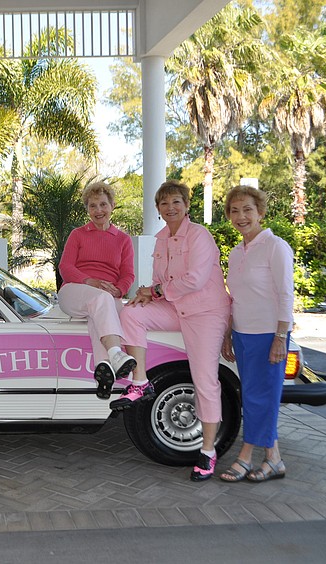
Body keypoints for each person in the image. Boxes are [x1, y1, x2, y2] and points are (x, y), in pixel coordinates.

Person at [117, 180, 231, 482]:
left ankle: (207, 452)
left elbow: (193, 280)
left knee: (205, 380)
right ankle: (139, 382)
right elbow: (161, 282)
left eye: (176, 202)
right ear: (158, 209)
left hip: (205, 313)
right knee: (131, 313)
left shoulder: (200, 236)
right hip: (176, 308)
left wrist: (153, 290)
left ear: (187, 205)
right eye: (164, 204)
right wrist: (146, 294)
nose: (170, 208)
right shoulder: (161, 239)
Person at [219, 185, 293, 483]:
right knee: (252, 398)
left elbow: (286, 295)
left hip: (268, 334)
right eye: (234, 211)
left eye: (247, 209)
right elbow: (235, 297)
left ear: (260, 212)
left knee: (261, 398)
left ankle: (245, 457)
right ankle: (274, 459)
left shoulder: (275, 246)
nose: (241, 216)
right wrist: (228, 333)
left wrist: (280, 337)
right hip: (242, 334)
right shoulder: (237, 252)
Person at [58, 181, 136, 399]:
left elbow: (128, 275)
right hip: (75, 291)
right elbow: (65, 267)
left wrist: (118, 290)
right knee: (101, 301)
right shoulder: (78, 235)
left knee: (102, 311)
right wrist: (88, 280)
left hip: (107, 297)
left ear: (112, 205)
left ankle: (104, 372)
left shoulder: (123, 240)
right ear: (88, 209)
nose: (98, 211)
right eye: (93, 206)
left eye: (103, 204)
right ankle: (115, 353)